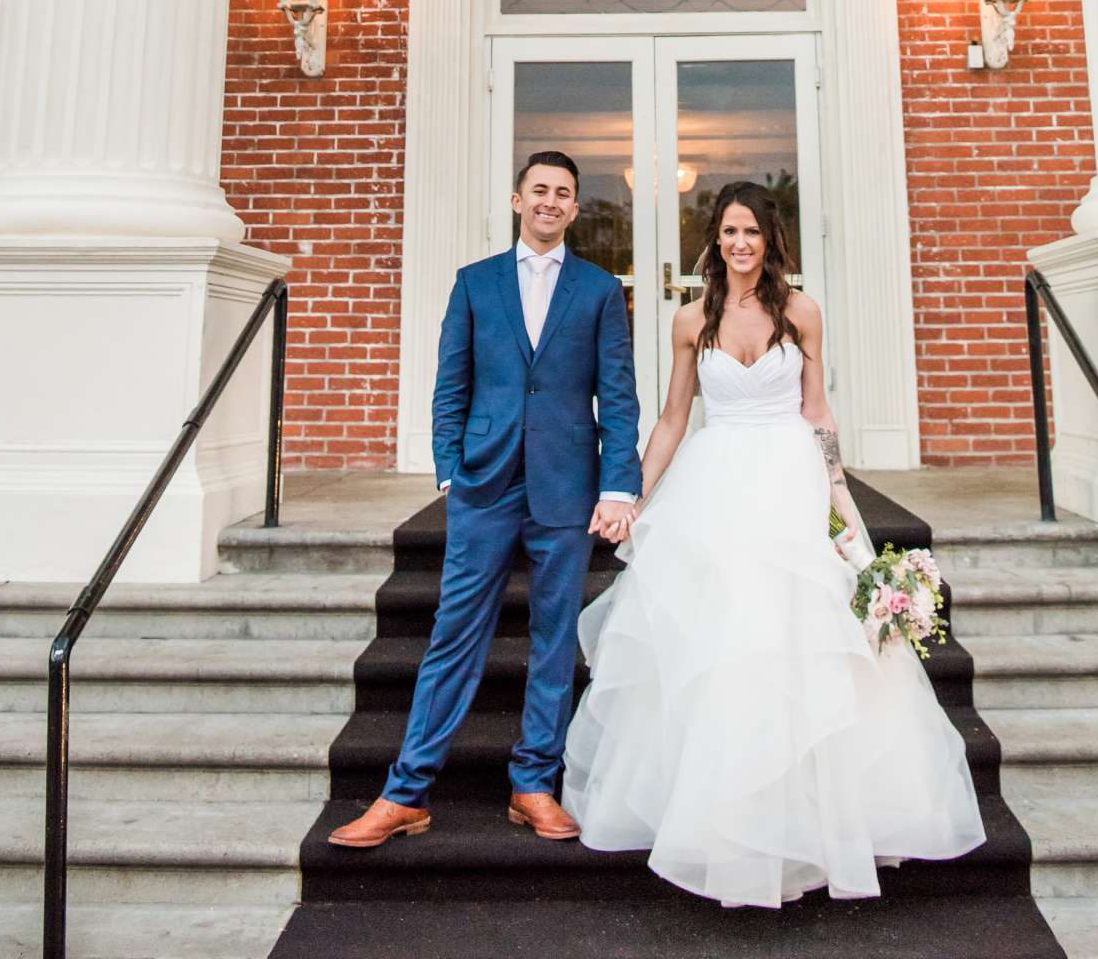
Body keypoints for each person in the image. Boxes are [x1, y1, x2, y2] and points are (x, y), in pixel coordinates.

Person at [562, 179, 985, 907]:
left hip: (790, 484)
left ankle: (810, 825)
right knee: (725, 646)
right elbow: (669, 421)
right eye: (728, 231)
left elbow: (818, 417)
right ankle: (720, 822)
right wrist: (631, 496)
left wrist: (848, 516)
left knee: (800, 641)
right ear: (713, 240)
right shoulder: (690, 319)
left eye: (751, 231)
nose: (740, 244)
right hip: (715, 487)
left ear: (770, 239)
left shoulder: (802, 313)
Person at [330, 150, 641, 849]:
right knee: (453, 634)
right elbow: (452, 382)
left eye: (563, 194)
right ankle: (405, 791)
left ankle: (533, 784)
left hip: (566, 487)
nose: (550, 202)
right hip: (485, 483)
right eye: (539, 191)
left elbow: (618, 395)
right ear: (516, 199)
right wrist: (450, 467)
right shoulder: (475, 284)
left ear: (575, 208)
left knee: (554, 641)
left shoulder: (597, 290)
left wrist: (620, 484)